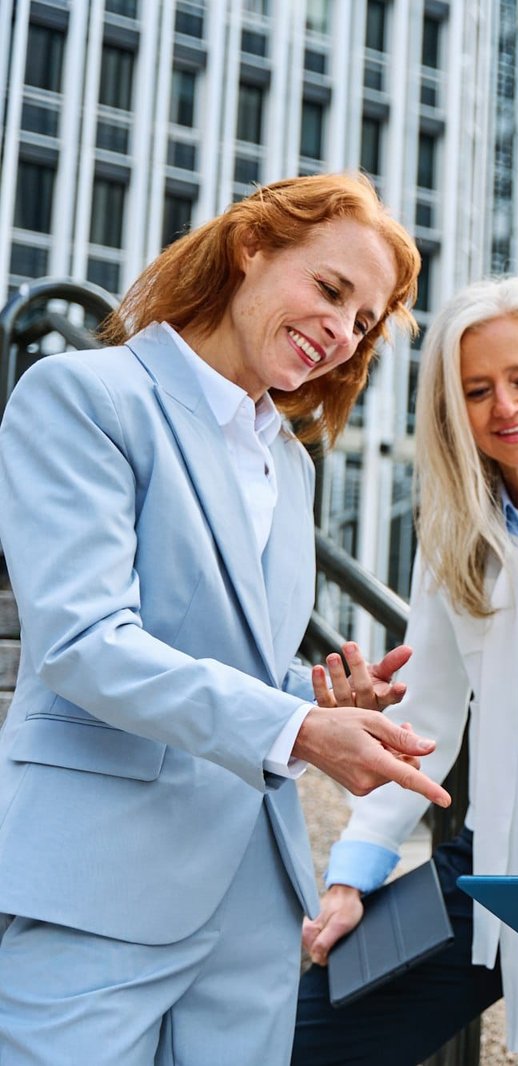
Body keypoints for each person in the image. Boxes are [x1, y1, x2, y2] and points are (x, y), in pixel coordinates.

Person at [0, 173, 451, 1064]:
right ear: (252, 248)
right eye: (330, 290)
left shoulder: (290, 464)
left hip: (252, 899)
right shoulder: (84, 397)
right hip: (101, 881)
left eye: (362, 323)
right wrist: (301, 727)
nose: (340, 330)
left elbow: (235, 662)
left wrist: (319, 697)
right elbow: (85, 645)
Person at [292, 278, 518, 1062]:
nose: (505, 407)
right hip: (495, 864)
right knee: (304, 1028)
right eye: (476, 390)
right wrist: (353, 875)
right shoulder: (455, 536)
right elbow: (424, 718)